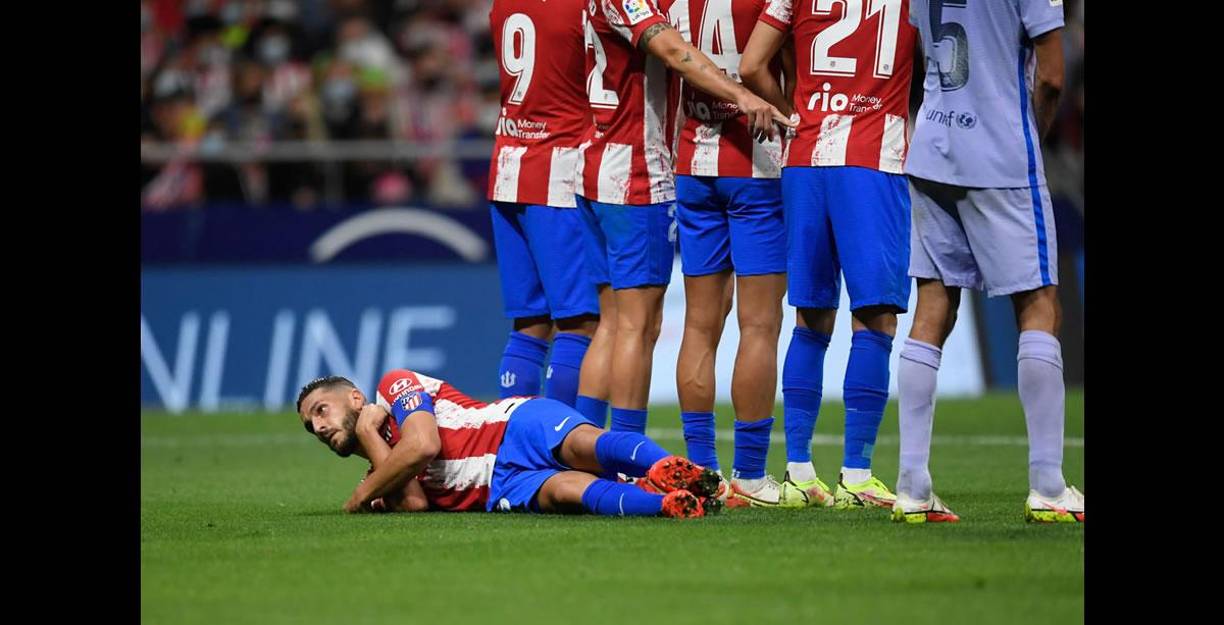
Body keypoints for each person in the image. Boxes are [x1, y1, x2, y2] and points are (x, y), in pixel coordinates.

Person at [893, 0, 1083, 524]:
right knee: (1040, 302)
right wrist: (1027, 138)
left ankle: (911, 485)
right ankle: (1047, 486)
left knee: (932, 308)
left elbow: (913, 53)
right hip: (1000, 156)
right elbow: (1051, 74)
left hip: (931, 147)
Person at [575, 0, 793, 440]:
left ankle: (598, 449)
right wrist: (744, 95)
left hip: (627, 161)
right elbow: (676, 54)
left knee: (628, 323)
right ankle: (629, 456)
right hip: (639, 171)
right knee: (651, 324)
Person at [739, 0, 918, 509]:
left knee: (810, 317)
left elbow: (752, 65)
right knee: (875, 317)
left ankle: (797, 472)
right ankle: (857, 475)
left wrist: (793, 112)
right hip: (871, 158)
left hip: (805, 156)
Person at [667, 0, 803, 508]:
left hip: (692, 164)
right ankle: (749, 472)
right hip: (758, 167)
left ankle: (701, 469)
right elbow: (774, 67)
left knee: (700, 326)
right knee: (760, 325)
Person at [295, 370, 725, 518]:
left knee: (586, 445)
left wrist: (359, 497)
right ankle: (672, 505)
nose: (318, 428)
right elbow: (416, 505)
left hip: (512, 425)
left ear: (355, 398)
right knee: (567, 491)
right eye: (309, 427)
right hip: (502, 486)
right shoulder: (381, 468)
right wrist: (370, 437)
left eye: (320, 411)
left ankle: (669, 466)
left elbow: (423, 444)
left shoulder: (395, 386)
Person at [487, 0, 600, 409]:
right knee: (581, 321)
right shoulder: (581, 7)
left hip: (507, 168)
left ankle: (516, 443)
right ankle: (572, 445)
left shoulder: (502, 6)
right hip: (559, 172)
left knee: (530, 323)